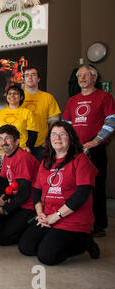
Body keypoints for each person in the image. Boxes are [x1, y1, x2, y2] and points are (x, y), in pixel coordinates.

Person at [18, 121, 100, 265]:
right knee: (26, 247)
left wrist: (55, 217)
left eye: (63, 134)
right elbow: (37, 191)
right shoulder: (46, 161)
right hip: (48, 216)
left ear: (71, 138)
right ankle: (54, 238)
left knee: (46, 257)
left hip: (72, 219)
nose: (58, 138)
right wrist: (40, 214)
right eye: (54, 134)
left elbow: (82, 194)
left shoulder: (81, 160)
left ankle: (84, 242)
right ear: (49, 139)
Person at [62, 65, 115, 237]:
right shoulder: (72, 100)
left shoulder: (104, 97)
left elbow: (111, 122)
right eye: (80, 76)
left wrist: (94, 142)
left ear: (94, 78)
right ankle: (76, 221)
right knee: (73, 187)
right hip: (74, 151)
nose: (83, 78)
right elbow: (66, 125)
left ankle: (98, 224)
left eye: (87, 75)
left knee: (96, 187)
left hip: (95, 150)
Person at [0, 125, 39, 246]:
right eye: (0, 139)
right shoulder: (8, 156)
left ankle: (32, 223)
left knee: (2, 239)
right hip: (17, 201)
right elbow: (2, 179)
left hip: (29, 206)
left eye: (7, 138)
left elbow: (24, 192)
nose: (3, 142)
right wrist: (2, 197)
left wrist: (5, 210)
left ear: (17, 141)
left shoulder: (23, 158)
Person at [21, 67, 61, 161]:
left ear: (38, 79)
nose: (30, 77)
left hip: (41, 145)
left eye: (33, 75)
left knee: (42, 173)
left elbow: (54, 122)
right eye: (27, 75)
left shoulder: (48, 97)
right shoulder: (17, 97)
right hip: (22, 145)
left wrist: (49, 140)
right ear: (24, 80)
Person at [0, 85, 38, 153]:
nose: (12, 95)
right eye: (9, 93)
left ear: (21, 97)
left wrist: (28, 147)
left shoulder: (27, 113)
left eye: (15, 93)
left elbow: (32, 133)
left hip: (19, 149)